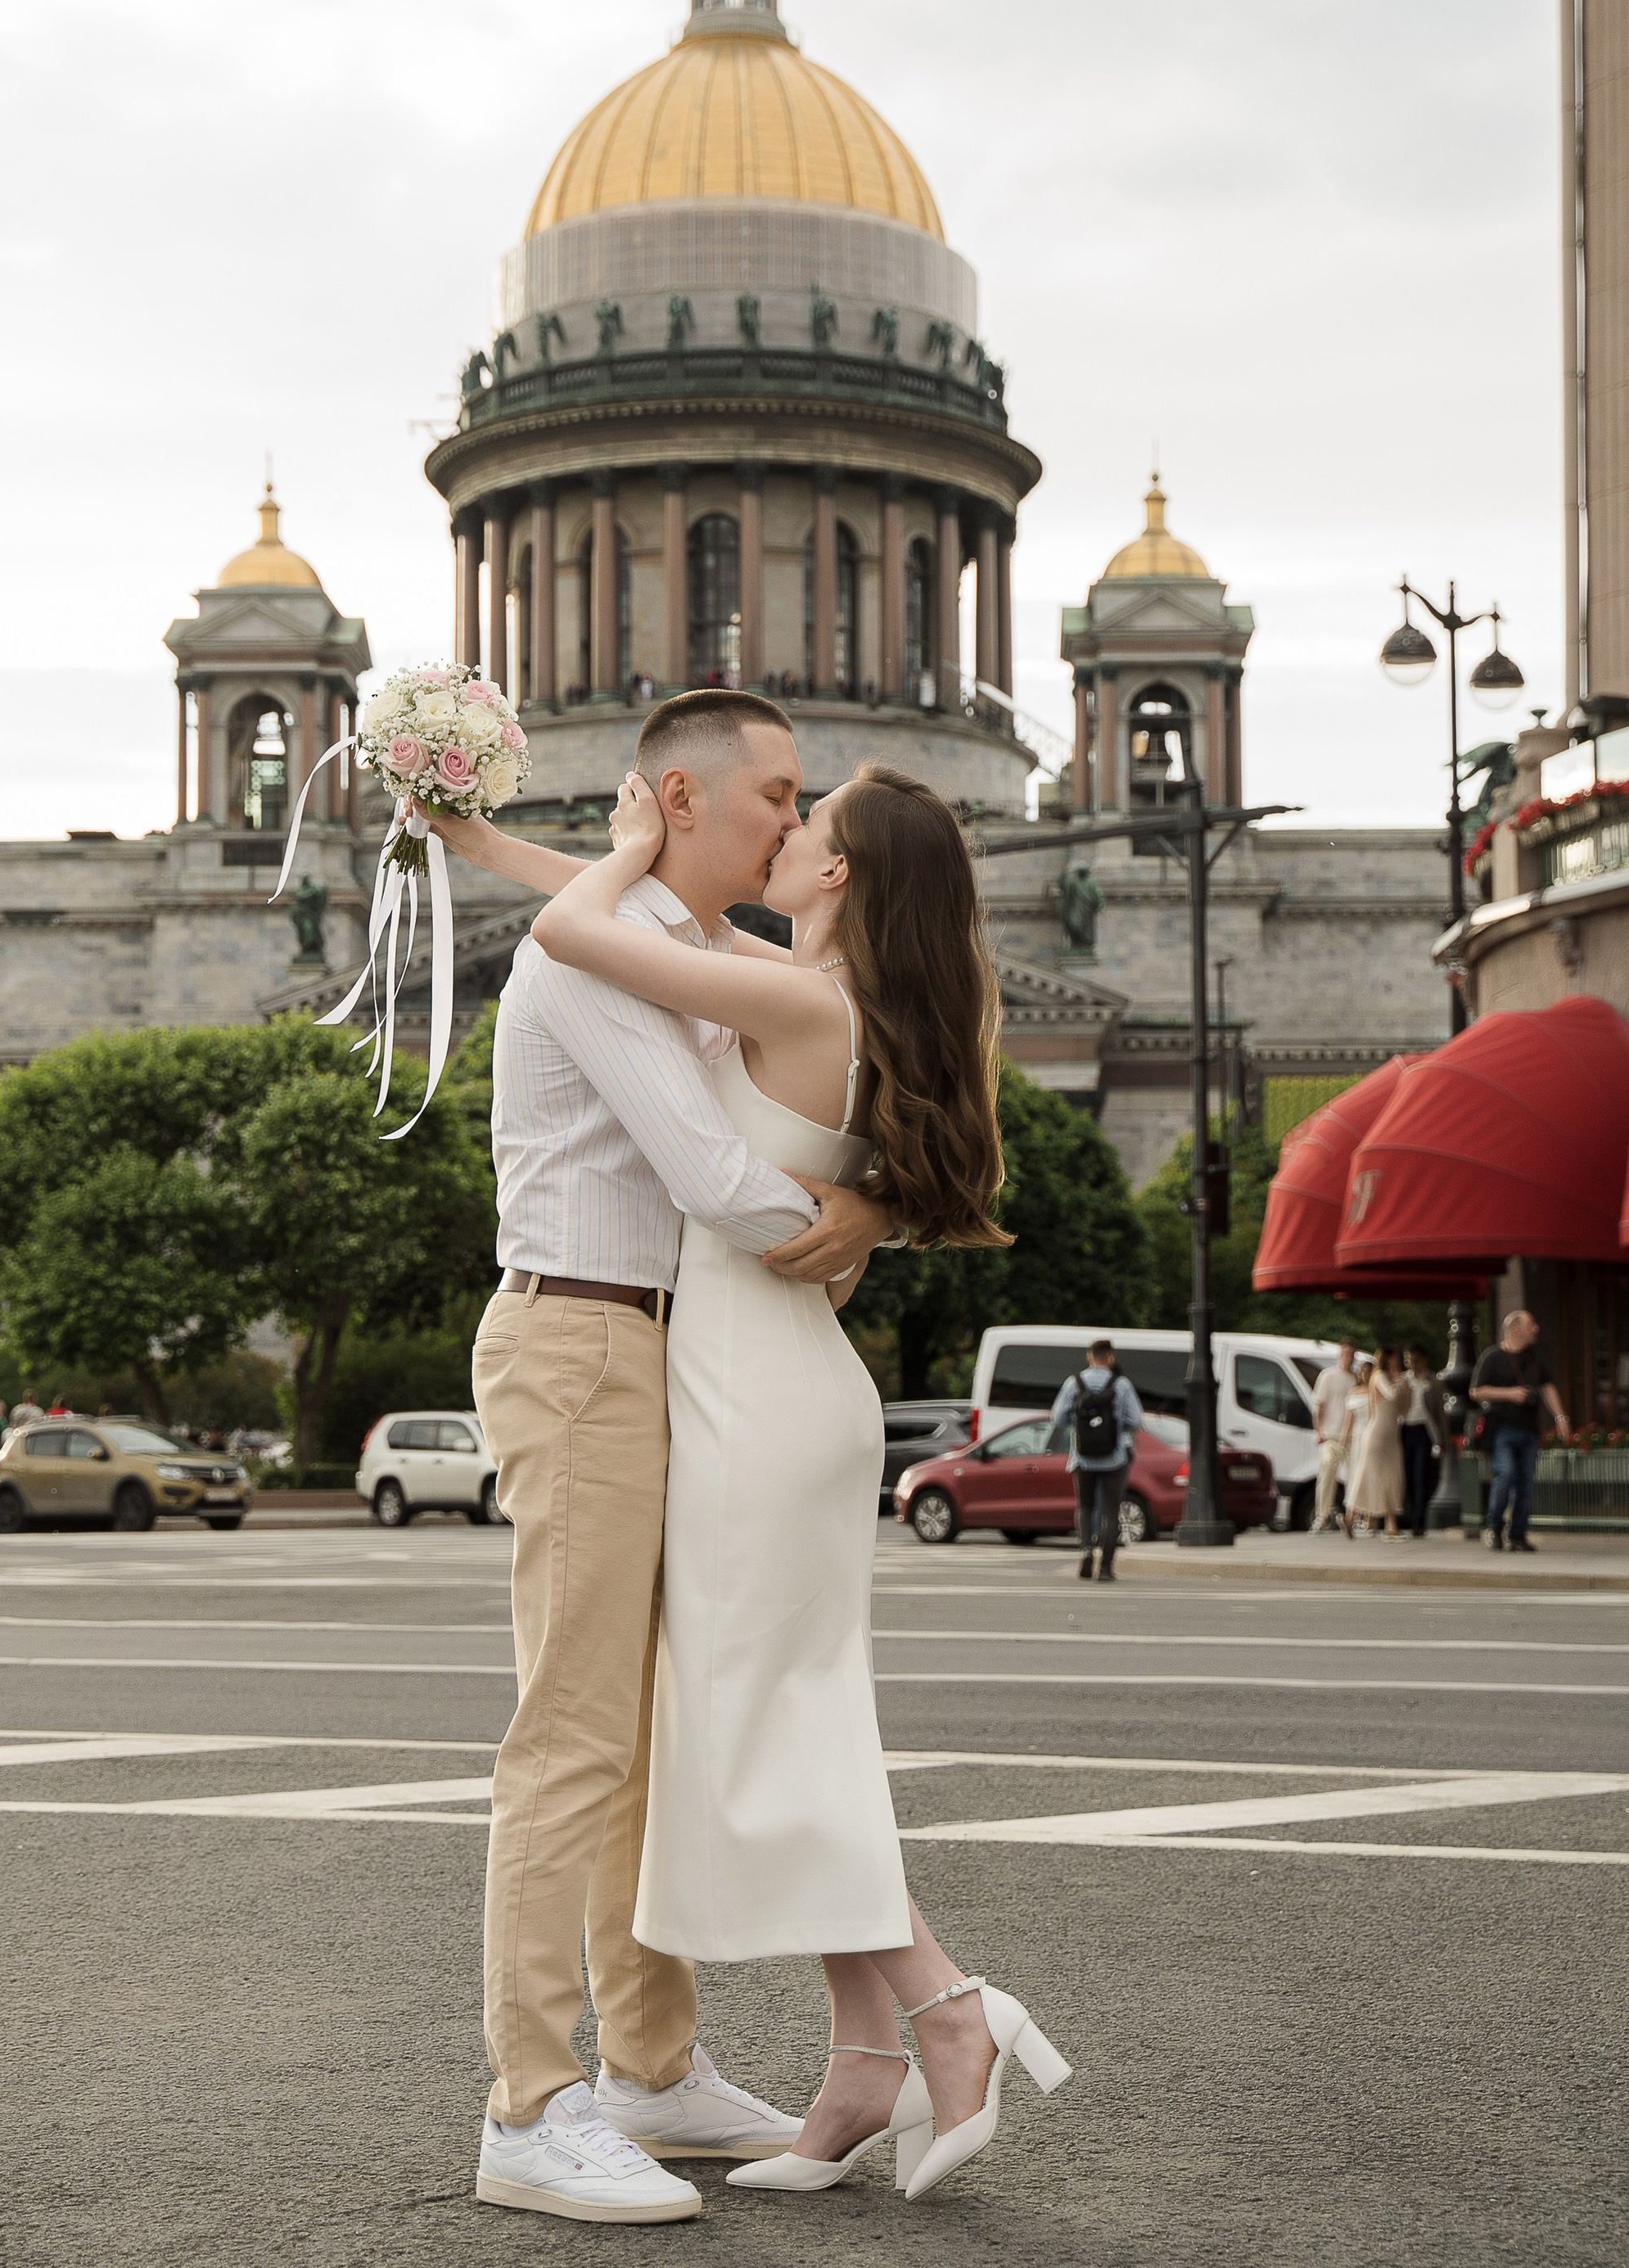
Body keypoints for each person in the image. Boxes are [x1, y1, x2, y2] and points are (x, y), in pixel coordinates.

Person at [433, 698, 1069, 2216]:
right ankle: (533, 2106)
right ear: (680, 800)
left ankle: (659, 2069)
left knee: (679, 1737)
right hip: (596, 1343)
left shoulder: (726, 963)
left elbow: (692, 1014)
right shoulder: (618, 956)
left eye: (809, 812)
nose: (792, 826)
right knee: (587, 1737)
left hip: (697, 1361)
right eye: (777, 796)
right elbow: (723, 1178)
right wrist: (844, 1221)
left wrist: (862, 1212)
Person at [1470, 1308, 1571, 1552]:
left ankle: (1517, 1535)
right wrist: (1510, 1394)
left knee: (1525, 1483)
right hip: (1502, 1429)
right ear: (1516, 1329)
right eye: (1531, 1324)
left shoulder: (1534, 1357)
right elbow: (1476, 1391)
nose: (1536, 1329)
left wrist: (1560, 1417)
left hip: (1529, 1431)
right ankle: (1494, 1527)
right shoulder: (1492, 1357)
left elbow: (1547, 1387)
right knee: (1505, 1475)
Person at [1048, 1338, 1143, 1581]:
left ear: (1090, 1357)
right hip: (1114, 1458)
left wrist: (1081, 1427)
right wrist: (1115, 1427)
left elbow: (1058, 1418)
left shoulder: (1074, 1383)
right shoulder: (1121, 1384)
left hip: (1083, 1458)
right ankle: (1106, 1568)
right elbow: (1135, 1421)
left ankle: (1087, 1551)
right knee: (1111, 1512)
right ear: (1110, 1357)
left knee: (1085, 1506)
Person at [1346, 1347, 1406, 1538]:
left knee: (1392, 1478)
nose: (1396, 1364)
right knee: (1367, 1476)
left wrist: (1403, 1384)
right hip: (1377, 1435)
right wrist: (1400, 1381)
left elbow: (1404, 1407)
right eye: (1394, 1360)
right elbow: (1392, 1394)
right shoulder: (1379, 1376)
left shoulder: (1392, 1379)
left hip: (1391, 1436)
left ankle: (1390, 1523)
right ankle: (1352, 1514)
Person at [1399, 1346, 1446, 1536]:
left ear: (1424, 1360)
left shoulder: (1433, 1382)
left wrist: (1443, 1440)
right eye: (1409, 1360)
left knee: (1421, 1476)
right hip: (1405, 1431)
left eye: (1415, 1360)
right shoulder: (1403, 1380)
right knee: (1408, 1477)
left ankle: (1419, 1521)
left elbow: (1440, 1414)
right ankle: (1411, 1515)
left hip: (1424, 1432)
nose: (1412, 1364)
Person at [1309, 1341, 1356, 1532]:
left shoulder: (1355, 1379)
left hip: (1351, 1437)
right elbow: (1319, 1406)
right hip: (1330, 1435)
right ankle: (1322, 1516)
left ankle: (1353, 1516)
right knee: (1327, 1476)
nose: (1348, 1358)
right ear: (1340, 1355)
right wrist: (1319, 1431)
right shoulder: (1327, 1376)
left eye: (1351, 1354)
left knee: (1354, 1477)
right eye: (1345, 1354)